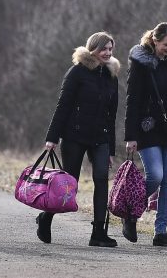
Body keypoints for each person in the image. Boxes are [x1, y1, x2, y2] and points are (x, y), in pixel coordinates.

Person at [37, 32, 120, 247]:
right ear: (93, 48)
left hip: (101, 137)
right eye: (104, 49)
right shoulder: (77, 72)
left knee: (101, 179)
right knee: (68, 183)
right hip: (75, 135)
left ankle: (98, 233)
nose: (107, 53)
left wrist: (111, 148)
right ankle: (46, 218)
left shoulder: (112, 76)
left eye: (110, 49)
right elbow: (62, 106)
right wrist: (52, 137)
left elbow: (112, 115)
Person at [123, 22, 167, 247]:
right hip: (147, 127)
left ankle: (161, 232)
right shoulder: (141, 64)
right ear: (154, 41)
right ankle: (131, 212)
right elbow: (132, 101)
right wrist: (130, 135)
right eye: (165, 44)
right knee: (156, 176)